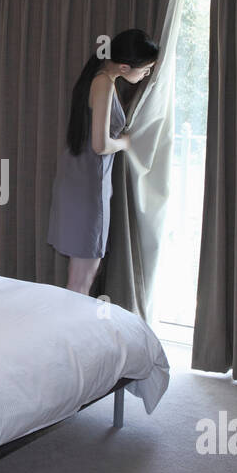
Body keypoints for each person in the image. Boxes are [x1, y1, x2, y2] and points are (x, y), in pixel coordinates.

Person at [46, 28, 159, 294]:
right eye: (145, 69)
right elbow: (100, 145)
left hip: (79, 179)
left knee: (79, 277)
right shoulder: (104, 83)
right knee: (82, 279)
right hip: (88, 184)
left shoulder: (98, 79)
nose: (146, 74)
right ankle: (74, 334)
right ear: (124, 66)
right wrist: (127, 142)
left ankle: (72, 331)